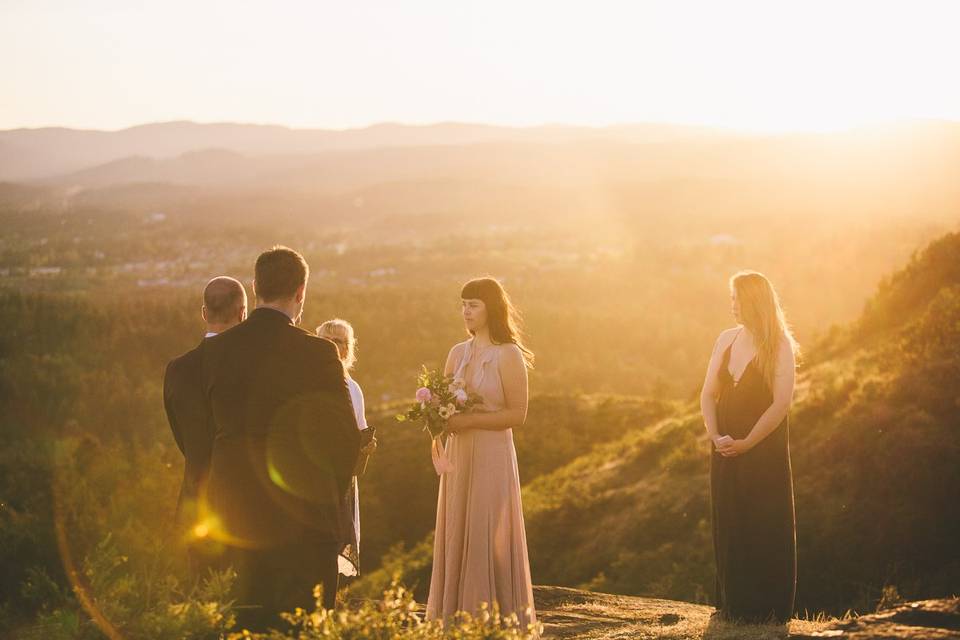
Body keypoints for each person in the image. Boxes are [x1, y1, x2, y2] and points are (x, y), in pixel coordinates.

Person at [200, 246, 360, 631]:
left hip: (234, 517)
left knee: (243, 624)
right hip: (305, 521)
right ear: (300, 292)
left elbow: (205, 434)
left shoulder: (217, 351)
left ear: (255, 287)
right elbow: (346, 440)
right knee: (302, 627)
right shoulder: (320, 353)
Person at [426, 277, 538, 634]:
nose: (466, 312)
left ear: (492, 308)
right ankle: (456, 616)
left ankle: (494, 618)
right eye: (463, 304)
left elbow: (517, 414)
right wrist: (436, 420)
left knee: (486, 528)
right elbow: (440, 403)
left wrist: (467, 420)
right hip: (460, 456)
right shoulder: (457, 353)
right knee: (459, 527)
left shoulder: (509, 354)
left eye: (473, 304)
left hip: (492, 456)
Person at [699, 270, 799, 624]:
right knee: (729, 521)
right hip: (725, 448)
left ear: (754, 302)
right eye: (731, 300)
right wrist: (716, 437)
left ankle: (764, 609)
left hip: (763, 453)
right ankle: (732, 603)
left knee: (763, 522)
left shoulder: (780, 346)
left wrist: (747, 444)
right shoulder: (725, 340)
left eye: (737, 300)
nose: (733, 307)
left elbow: (780, 404)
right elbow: (708, 394)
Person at [162, 276, 246, 575]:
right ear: (242, 314)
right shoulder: (250, 369)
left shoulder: (177, 370)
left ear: (204, 313)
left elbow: (181, 436)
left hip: (194, 506)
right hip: (245, 512)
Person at [316, 318, 377, 577]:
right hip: (315, 472)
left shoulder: (353, 388)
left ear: (347, 348)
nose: (333, 345)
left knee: (340, 536)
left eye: (339, 341)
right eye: (327, 340)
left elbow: (359, 429)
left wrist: (367, 445)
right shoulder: (307, 380)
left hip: (344, 476)